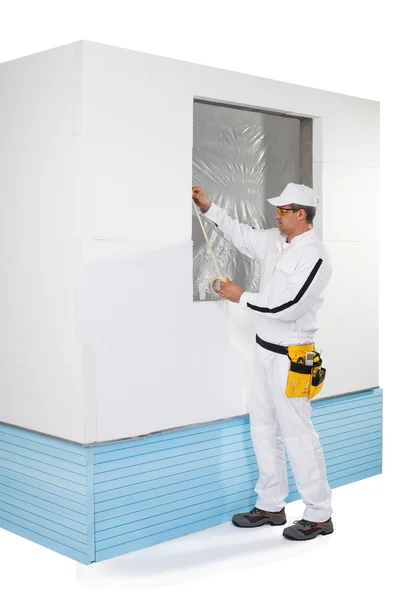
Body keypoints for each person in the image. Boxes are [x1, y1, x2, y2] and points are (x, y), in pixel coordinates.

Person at [192, 182, 333, 541]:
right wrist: (209, 206)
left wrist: (241, 297)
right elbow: (240, 234)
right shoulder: (274, 240)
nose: (276, 215)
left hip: (292, 356)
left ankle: (319, 513)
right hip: (263, 349)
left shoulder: (314, 256)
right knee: (263, 428)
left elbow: (288, 306)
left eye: (283, 210)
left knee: (298, 434)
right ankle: (271, 505)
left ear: (301, 214)